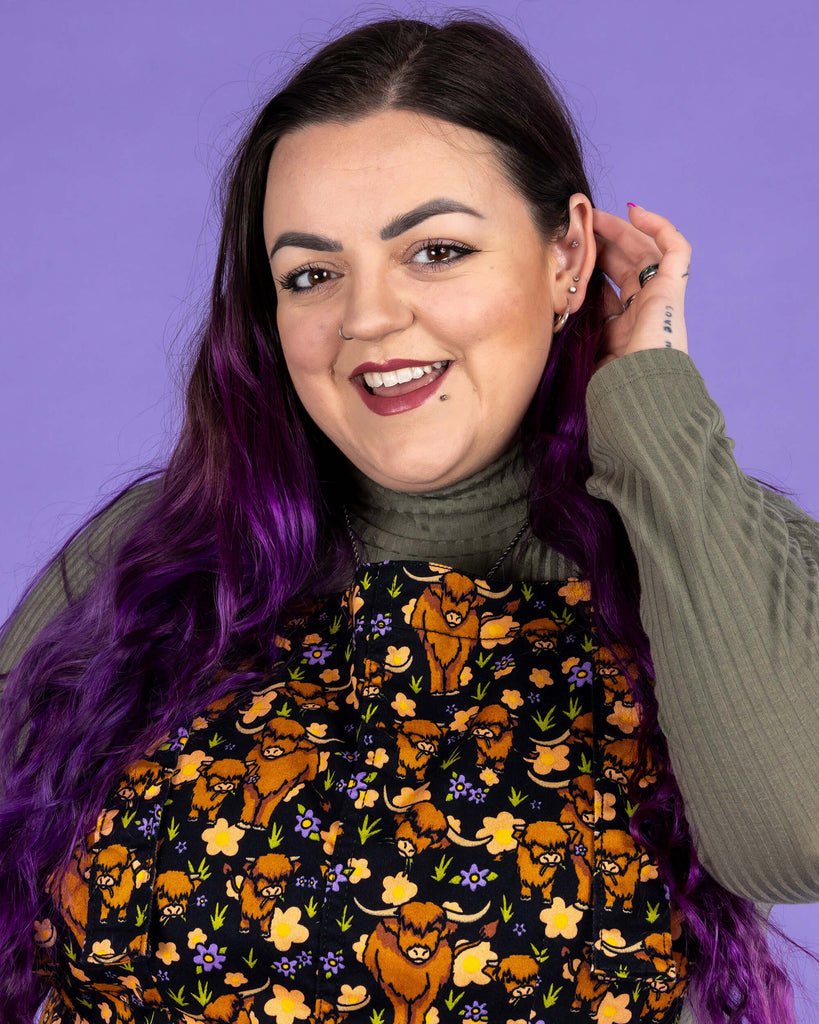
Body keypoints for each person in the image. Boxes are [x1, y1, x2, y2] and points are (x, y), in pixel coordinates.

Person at [0, 15, 816, 1024]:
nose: (368, 319)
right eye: (312, 273)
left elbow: (796, 833)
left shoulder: (698, 543)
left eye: (435, 250)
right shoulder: (159, 557)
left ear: (567, 254)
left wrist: (650, 392)